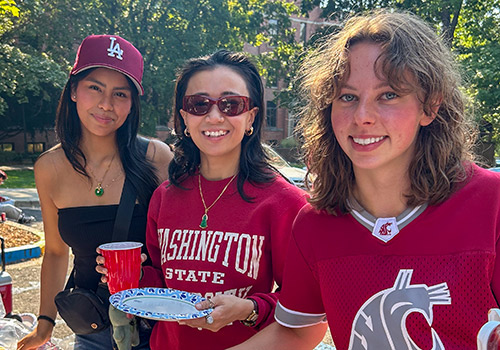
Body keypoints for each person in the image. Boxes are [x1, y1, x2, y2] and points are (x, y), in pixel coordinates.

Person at [230, 10, 500, 350]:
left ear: (429, 107)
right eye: (347, 97)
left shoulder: (491, 204)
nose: (362, 117)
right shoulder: (314, 225)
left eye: (388, 94)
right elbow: (296, 330)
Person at [98, 50, 308, 349]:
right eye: (199, 104)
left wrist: (249, 310)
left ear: (251, 116)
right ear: (184, 117)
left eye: (231, 104)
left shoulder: (285, 203)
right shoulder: (164, 197)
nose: (214, 116)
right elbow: (162, 286)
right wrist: (130, 277)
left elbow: (304, 306)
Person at [17, 34, 173, 350]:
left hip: (157, 327)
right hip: (92, 328)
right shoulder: (50, 168)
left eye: (120, 94)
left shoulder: (156, 159)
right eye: (95, 88)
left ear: (132, 104)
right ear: (74, 90)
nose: (106, 104)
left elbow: (182, 244)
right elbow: (57, 252)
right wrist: (44, 325)